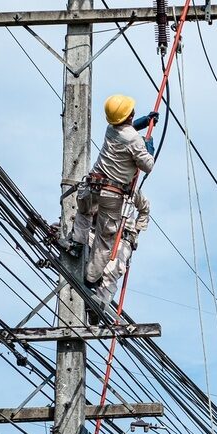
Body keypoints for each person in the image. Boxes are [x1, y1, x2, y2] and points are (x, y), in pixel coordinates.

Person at [69, 94, 158, 313]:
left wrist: (145, 121)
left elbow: (126, 128)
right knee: (104, 241)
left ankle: (77, 242)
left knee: (83, 213)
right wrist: (149, 146)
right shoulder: (135, 141)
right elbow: (148, 165)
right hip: (112, 195)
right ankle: (91, 278)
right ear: (129, 115)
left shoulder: (111, 130)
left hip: (91, 186)